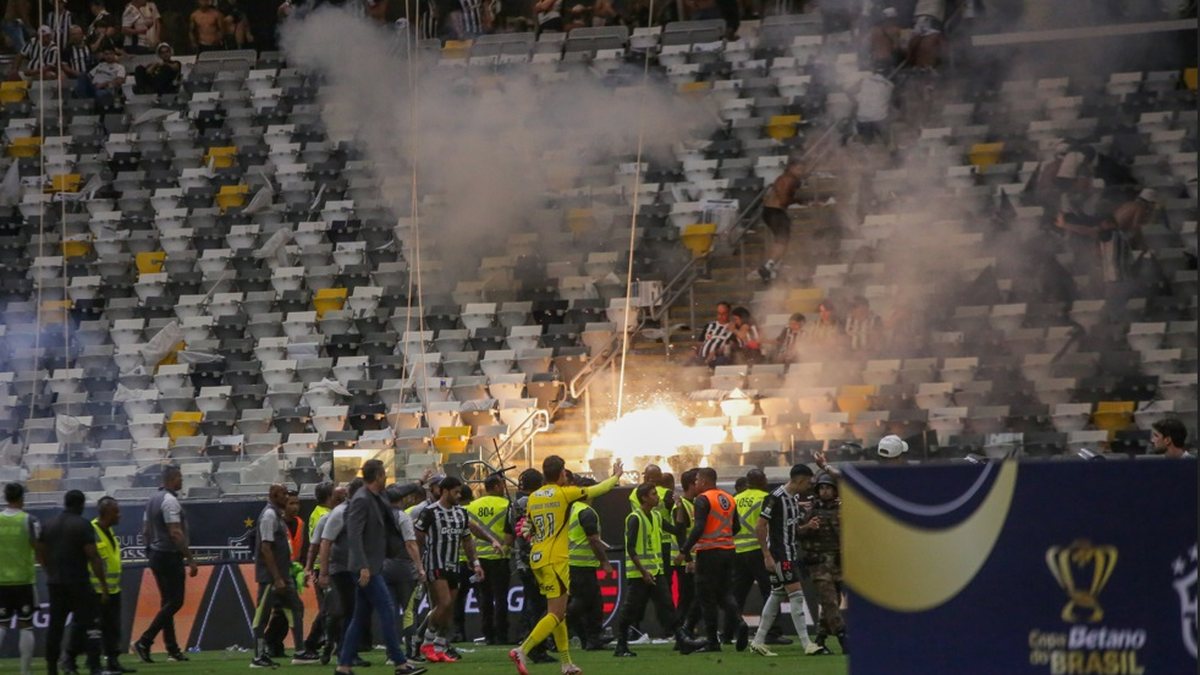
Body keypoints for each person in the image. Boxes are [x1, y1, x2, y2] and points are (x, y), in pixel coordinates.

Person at [508, 456, 625, 675]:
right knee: (555, 614)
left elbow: (529, 528)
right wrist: (616, 477)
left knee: (558, 612)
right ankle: (522, 650)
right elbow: (596, 490)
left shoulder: (533, 497)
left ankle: (566, 663)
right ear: (562, 473)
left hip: (537, 559)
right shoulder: (564, 493)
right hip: (556, 560)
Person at [334, 460, 426, 675]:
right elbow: (354, 535)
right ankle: (400, 663)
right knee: (386, 610)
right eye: (384, 474)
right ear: (377, 476)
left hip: (373, 565)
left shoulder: (378, 496)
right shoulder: (361, 500)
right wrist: (363, 566)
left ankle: (343, 666)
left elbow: (398, 491)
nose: (386, 478)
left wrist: (419, 482)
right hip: (367, 568)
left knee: (360, 617)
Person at [613, 484, 704, 657]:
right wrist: (643, 571)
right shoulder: (634, 518)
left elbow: (677, 530)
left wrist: (678, 508)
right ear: (644, 498)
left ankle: (682, 641)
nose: (658, 497)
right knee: (630, 609)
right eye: (653, 494)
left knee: (668, 606)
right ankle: (621, 645)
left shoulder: (655, 516)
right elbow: (630, 548)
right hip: (639, 574)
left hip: (656, 572)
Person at [416, 476, 499, 661]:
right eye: (456, 492)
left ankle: (439, 647)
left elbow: (467, 539)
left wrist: (475, 563)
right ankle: (426, 643)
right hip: (435, 563)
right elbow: (418, 537)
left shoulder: (460, 513)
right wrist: (420, 562)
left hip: (453, 564)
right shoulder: (429, 512)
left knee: (449, 607)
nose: (459, 495)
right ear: (445, 491)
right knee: (443, 603)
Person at [748, 465, 827, 657]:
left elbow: (791, 529)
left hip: (789, 553)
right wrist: (766, 554)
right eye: (808, 482)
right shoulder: (774, 497)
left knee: (776, 594)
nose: (810, 486)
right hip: (780, 555)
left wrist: (807, 526)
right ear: (800, 480)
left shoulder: (793, 499)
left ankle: (758, 641)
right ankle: (807, 644)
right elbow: (760, 526)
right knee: (797, 595)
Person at [675, 467, 750, 653]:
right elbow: (736, 527)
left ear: (706, 481)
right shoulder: (729, 498)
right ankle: (740, 623)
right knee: (725, 593)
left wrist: (684, 550)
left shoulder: (703, 499)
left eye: (698, 479)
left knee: (706, 597)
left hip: (709, 553)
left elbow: (699, 527)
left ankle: (712, 642)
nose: (696, 483)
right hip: (728, 551)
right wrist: (722, 537)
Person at [63, 497, 135, 675]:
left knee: (112, 628)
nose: (120, 515)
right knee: (87, 628)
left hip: (112, 589)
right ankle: (70, 660)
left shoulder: (109, 531)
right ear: (107, 513)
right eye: (116, 511)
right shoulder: (91, 530)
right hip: (94, 590)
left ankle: (112, 661)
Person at [134, 465, 196, 664]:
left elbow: (145, 530)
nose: (182, 481)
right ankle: (145, 640)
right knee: (176, 601)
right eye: (180, 477)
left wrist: (149, 550)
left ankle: (172, 649)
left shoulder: (152, 500)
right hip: (169, 555)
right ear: (171, 479)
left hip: (156, 554)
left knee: (167, 602)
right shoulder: (170, 501)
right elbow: (175, 533)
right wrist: (189, 558)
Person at [42, 490, 108, 675]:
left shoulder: (49, 525)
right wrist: (102, 585)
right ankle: (94, 665)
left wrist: (50, 572)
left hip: (55, 583)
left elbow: (41, 553)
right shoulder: (82, 525)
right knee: (91, 624)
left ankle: (52, 668)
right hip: (78, 582)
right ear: (80, 505)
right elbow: (93, 556)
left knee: (55, 627)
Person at [249, 485, 307, 668]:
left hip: (283, 575)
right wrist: (276, 577)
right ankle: (258, 657)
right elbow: (266, 548)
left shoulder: (277, 515)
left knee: (296, 608)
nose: (286, 497)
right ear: (274, 495)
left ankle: (300, 652)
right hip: (270, 578)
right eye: (284, 494)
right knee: (262, 616)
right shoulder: (268, 516)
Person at [316, 480, 369, 669]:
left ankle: (347, 651)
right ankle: (344, 652)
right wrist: (323, 572)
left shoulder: (358, 512)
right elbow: (325, 543)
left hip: (356, 568)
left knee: (355, 611)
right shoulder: (339, 513)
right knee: (349, 611)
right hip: (342, 569)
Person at [732, 470, 787, 646]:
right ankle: (772, 632)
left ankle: (729, 631)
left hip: (738, 551)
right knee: (771, 592)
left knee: (737, 594)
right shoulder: (767, 498)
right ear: (762, 481)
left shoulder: (735, 498)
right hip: (760, 550)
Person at [464, 473, 515, 646]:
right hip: (500, 557)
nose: (503, 488)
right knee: (501, 598)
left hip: (479, 558)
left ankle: (488, 635)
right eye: (501, 485)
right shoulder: (507, 505)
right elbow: (511, 532)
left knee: (485, 598)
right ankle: (502, 634)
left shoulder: (471, 506)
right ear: (495, 487)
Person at [800, 473, 847, 653]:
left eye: (828, 487)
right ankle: (843, 635)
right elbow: (796, 531)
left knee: (833, 600)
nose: (824, 491)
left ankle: (820, 638)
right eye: (822, 488)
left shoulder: (842, 509)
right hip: (818, 562)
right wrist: (808, 527)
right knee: (829, 600)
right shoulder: (811, 510)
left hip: (837, 561)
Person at [565, 478, 613, 651]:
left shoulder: (570, 509)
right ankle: (555, 628)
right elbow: (593, 539)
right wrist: (605, 561)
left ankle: (593, 638)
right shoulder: (586, 512)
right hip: (581, 565)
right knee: (581, 602)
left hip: (572, 564)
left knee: (593, 602)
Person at [0, 482, 42, 675]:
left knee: (1, 624)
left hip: (1, 581)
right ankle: (25, 672)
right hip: (24, 580)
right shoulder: (29, 520)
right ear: (22, 497)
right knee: (26, 625)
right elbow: (38, 548)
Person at [383, 482, 425, 662]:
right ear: (402, 499)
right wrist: (420, 567)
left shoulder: (379, 516)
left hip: (383, 567)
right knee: (408, 611)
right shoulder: (402, 517)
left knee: (389, 611)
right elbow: (410, 543)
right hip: (404, 569)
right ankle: (411, 652)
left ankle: (391, 654)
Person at [299, 483, 341, 662]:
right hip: (324, 567)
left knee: (329, 608)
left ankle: (325, 642)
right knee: (328, 609)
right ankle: (314, 644)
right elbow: (322, 543)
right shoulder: (326, 516)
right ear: (330, 497)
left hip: (321, 566)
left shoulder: (316, 513)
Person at [755, 161, 806, 283]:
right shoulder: (788, 179)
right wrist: (798, 200)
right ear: (791, 168)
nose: (801, 172)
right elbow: (783, 200)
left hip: (772, 211)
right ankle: (769, 266)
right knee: (782, 240)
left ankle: (773, 267)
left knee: (782, 240)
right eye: (799, 169)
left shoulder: (783, 178)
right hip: (775, 211)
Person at [672, 469, 701, 637]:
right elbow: (680, 533)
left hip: (695, 559)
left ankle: (687, 630)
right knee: (686, 598)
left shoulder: (694, 503)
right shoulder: (681, 505)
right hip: (686, 562)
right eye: (698, 480)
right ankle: (682, 631)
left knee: (693, 597)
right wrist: (688, 559)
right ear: (691, 484)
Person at [848, 67, 895, 147]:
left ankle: (865, 140)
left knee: (866, 141)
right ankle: (888, 145)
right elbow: (888, 102)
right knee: (888, 138)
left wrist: (855, 102)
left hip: (863, 118)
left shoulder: (864, 81)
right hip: (880, 119)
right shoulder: (890, 85)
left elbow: (849, 92)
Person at [84, 42, 124, 110]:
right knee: (82, 76)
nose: (108, 56)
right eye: (106, 54)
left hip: (106, 89)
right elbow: (88, 76)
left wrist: (103, 84)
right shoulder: (100, 65)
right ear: (104, 56)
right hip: (93, 87)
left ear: (114, 54)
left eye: (111, 53)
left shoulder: (119, 67)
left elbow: (119, 81)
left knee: (99, 93)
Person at [695, 301, 736, 366]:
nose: (720, 316)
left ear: (729, 313)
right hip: (702, 357)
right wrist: (694, 350)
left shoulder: (732, 328)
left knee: (721, 361)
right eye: (719, 313)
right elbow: (700, 342)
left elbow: (730, 346)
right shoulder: (709, 325)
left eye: (723, 314)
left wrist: (715, 353)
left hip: (718, 358)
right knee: (689, 362)